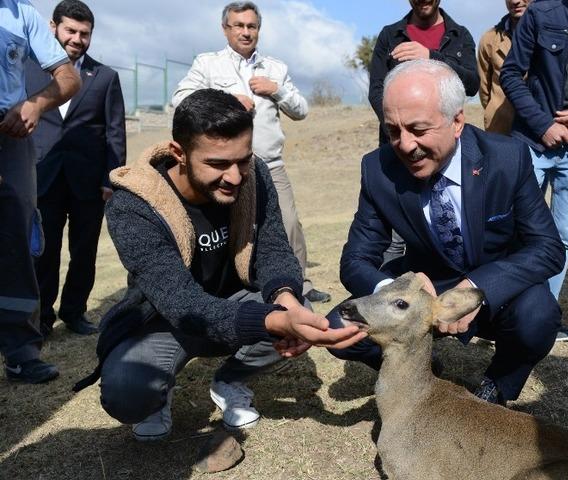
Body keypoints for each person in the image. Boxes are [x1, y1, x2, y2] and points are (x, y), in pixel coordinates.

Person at [72, 89, 366, 441]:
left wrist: (285, 298)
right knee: (126, 393)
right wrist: (273, 320)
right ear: (179, 153)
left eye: (242, 160)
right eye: (217, 164)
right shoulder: (132, 204)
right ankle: (156, 397)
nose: (235, 177)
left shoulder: (253, 175)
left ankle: (230, 381)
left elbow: (273, 249)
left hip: (234, 304)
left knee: (298, 306)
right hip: (166, 321)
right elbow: (180, 302)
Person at [328, 59, 565, 407]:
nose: (405, 145)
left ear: (456, 121)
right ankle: (420, 369)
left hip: (494, 289)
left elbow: (547, 248)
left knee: (538, 318)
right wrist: (397, 290)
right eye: (393, 130)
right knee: (339, 328)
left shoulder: (507, 158)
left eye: (418, 129)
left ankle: (497, 385)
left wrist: (475, 289)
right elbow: (355, 261)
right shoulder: (378, 169)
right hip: (426, 286)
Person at [172, 1, 331, 304]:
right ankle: (223, 288)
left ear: (259, 29)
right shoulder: (208, 64)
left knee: (288, 223)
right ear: (225, 29)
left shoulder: (276, 68)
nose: (246, 32)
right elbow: (180, 99)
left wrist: (277, 90)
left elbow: (302, 110)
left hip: (269, 164)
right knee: (224, 230)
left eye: (251, 26)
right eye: (239, 26)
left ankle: (301, 284)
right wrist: (224, 98)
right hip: (222, 168)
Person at [500, 0, 568, 342]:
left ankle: (544, 315)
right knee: (517, 230)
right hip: (532, 142)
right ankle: (505, 311)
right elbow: (511, 74)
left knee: (563, 235)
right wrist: (544, 124)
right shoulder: (543, 13)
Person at [25, 0, 125, 337]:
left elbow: (115, 132)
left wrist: (111, 178)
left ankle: (75, 311)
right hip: (43, 177)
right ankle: (41, 317)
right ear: (53, 27)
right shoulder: (29, 69)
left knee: (84, 250)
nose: (77, 39)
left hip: (89, 183)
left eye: (85, 33)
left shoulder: (106, 77)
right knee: (44, 251)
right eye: (71, 30)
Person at [1, 0, 81, 384]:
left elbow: (68, 78)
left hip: (10, 137)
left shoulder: (23, 14)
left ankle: (20, 353)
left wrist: (35, 104)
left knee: (18, 241)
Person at [368, 0, 479, 146]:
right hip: (399, 146)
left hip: (446, 144)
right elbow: (376, 91)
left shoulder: (460, 36)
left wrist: (432, 57)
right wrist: (398, 131)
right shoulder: (389, 36)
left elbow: (472, 85)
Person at [477, 0, 529, 134]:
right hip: (500, 130)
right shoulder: (489, 40)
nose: (515, 1)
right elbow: (484, 91)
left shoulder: (555, 35)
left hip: (541, 135)